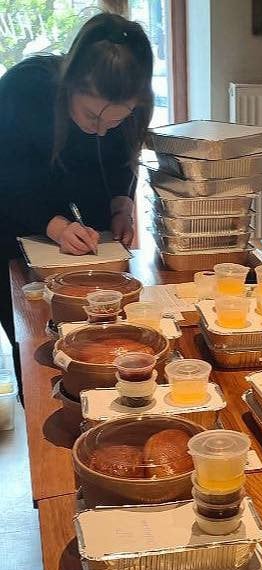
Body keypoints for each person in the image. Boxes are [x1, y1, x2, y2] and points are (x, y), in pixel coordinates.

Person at [0, 12, 154, 348]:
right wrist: (54, 226)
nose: (100, 131)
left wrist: (121, 206)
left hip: (83, 226)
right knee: (34, 340)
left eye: (114, 121)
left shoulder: (137, 106)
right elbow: (6, 176)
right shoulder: (23, 89)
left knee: (97, 331)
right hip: (11, 221)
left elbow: (122, 161)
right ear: (69, 83)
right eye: (91, 116)